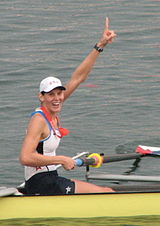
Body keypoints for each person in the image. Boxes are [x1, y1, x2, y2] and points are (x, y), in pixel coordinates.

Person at [19, 17, 117, 195]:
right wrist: (62, 159)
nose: (57, 98)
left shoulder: (53, 108)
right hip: (41, 184)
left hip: (51, 179)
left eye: (59, 93)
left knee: (107, 189)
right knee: (106, 193)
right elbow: (25, 157)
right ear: (41, 97)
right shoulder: (38, 120)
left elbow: (79, 77)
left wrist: (101, 44)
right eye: (51, 95)